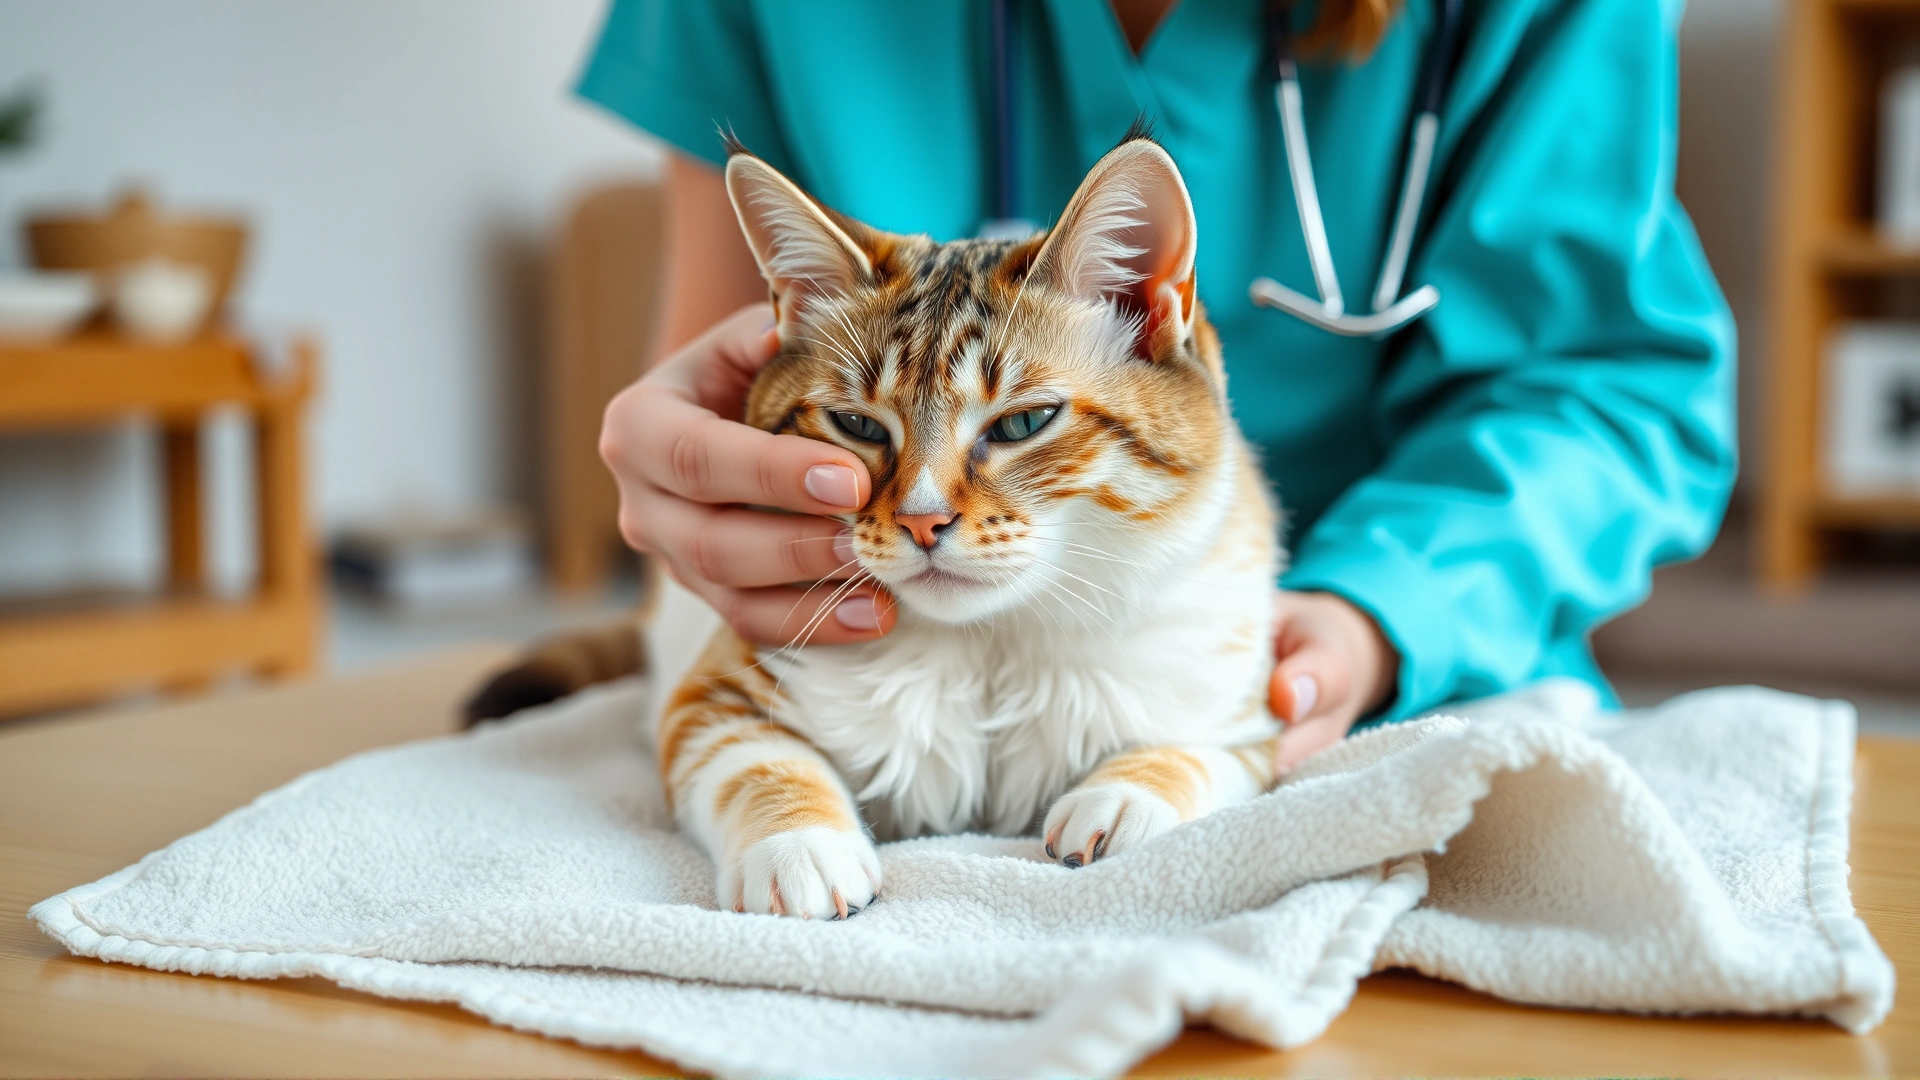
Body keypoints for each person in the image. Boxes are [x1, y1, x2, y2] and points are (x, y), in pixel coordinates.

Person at [578, 0, 1735, 770]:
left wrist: (1378, 615)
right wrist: (700, 473)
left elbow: (1607, 383)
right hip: (891, 661)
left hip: (1382, 681)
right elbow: (731, 368)